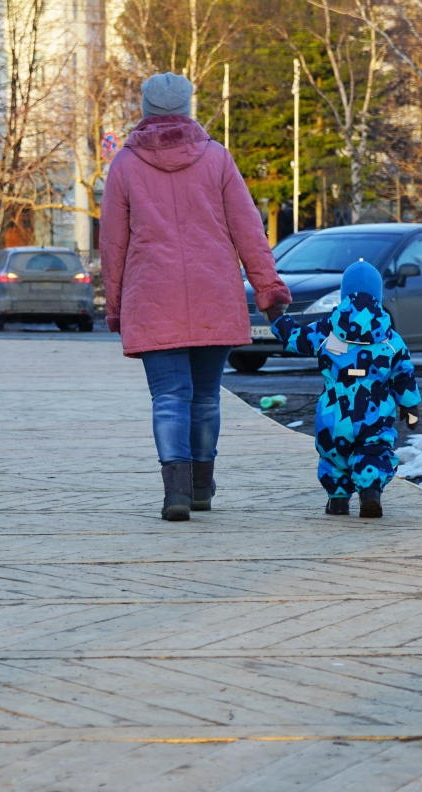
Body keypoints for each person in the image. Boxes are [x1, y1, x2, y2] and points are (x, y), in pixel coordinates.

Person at [100, 72, 292, 522]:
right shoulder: (218, 159)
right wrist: (268, 290)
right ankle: (202, 487)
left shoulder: (125, 166)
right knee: (205, 397)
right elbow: (250, 231)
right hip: (214, 295)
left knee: (169, 397)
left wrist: (115, 307)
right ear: (188, 109)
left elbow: (113, 244)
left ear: (146, 111)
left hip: (152, 298)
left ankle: (176, 494)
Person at [271, 260, 420, 519]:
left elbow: (296, 338)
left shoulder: (327, 329)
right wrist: (410, 405)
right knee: (373, 449)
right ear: (378, 295)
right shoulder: (389, 336)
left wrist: (277, 317)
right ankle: (370, 490)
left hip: (334, 410)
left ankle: (338, 499)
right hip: (375, 411)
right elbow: (402, 373)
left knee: (333, 453)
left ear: (344, 293)